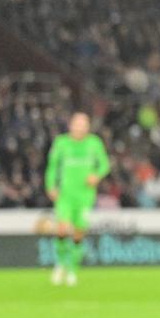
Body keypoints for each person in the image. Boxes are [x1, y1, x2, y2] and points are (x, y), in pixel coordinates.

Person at [45, 112, 108, 286]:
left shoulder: (94, 143)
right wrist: (50, 186)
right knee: (62, 229)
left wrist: (96, 175)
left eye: (83, 124)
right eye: (77, 124)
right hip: (65, 195)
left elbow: (104, 164)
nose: (80, 128)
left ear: (87, 127)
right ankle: (61, 264)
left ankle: (72, 269)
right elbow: (52, 166)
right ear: (71, 125)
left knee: (79, 232)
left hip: (85, 196)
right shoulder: (61, 143)